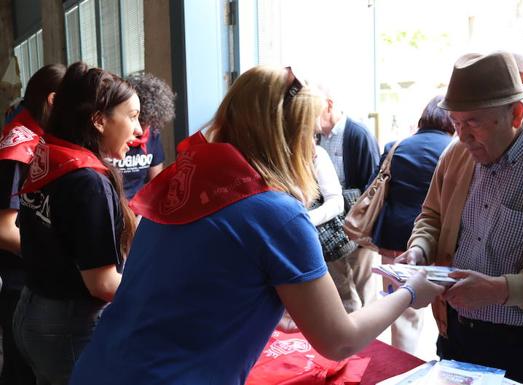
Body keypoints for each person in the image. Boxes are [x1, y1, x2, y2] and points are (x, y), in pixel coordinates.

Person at [68, 66, 445, 385]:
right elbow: (340, 341)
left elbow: (192, 289)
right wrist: (410, 292)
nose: (312, 148)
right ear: (290, 138)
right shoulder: (274, 212)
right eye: (309, 135)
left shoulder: (179, 185)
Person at [397, 51, 523, 385]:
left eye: (474, 123)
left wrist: (498, 290)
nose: (462, 136)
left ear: (516, 113)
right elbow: (431, 215)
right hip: (456, 335)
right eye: (456, 123)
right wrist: (420, 248)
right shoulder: (456, 155)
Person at [13, 62, 141, 385]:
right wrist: (157, 292)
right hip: (66, 326)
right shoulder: (86, 182)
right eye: (133, 116)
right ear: (98, 120)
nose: (139, 131)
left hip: (33, 310)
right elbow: (102, 283)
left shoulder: (50, 159)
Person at [372, 95, 455, 354]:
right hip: (430, 239)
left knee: (399, 305)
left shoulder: (397, 146)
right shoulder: (454, 150)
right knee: (438, 306)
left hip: (392, 237)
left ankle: (399, 361)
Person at [0, 63, 66, 385]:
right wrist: (58, 260)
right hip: (22, 285)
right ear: (53, 100)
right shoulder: (19, 146)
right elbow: (5, 228)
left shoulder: (37, 136)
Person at [316, 85, 381, 313]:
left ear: (329, 105)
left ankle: (374, 340)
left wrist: (366, 229)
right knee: (340, 286)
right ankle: (351, 335)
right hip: (329, 228)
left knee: (365, 284)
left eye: (313, 110)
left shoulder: (357, 134)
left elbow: (374, 187)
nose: (310, 118)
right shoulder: (315, 138)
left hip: (358, 224)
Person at [112, 73, 174, 200]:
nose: (140, 130)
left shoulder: (153, 136)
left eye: (147, 123)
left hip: (138, 207)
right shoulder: (111, 137)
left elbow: (157, 184)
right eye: (136, 119)